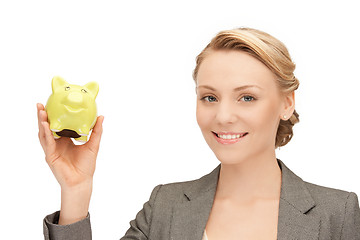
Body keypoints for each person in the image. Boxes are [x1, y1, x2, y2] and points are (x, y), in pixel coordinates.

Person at [38, 27, 360, 240]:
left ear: (286, 103)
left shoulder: (338, 214)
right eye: (209, 97)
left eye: (247, 97)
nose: (223, 116)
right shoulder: (164, 207)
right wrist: (75, 192)